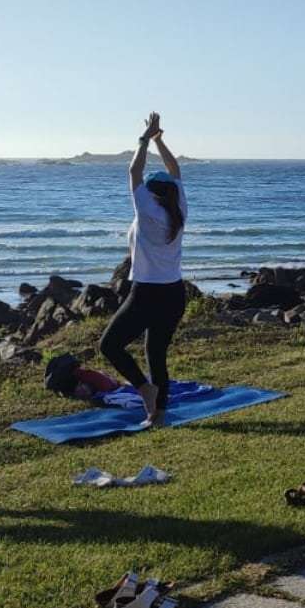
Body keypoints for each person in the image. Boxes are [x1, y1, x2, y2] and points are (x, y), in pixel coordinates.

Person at [99, 112, 188, 429]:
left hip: (147, 292)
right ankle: (157, 414)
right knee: (156, 354)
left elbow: (134, 169)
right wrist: (160, 140)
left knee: (108, 345)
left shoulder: (146, 207)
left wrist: (144, 139)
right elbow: (175, 170)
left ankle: (144, 388)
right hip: (175, 292)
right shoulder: (179, 208)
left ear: (152, 192)